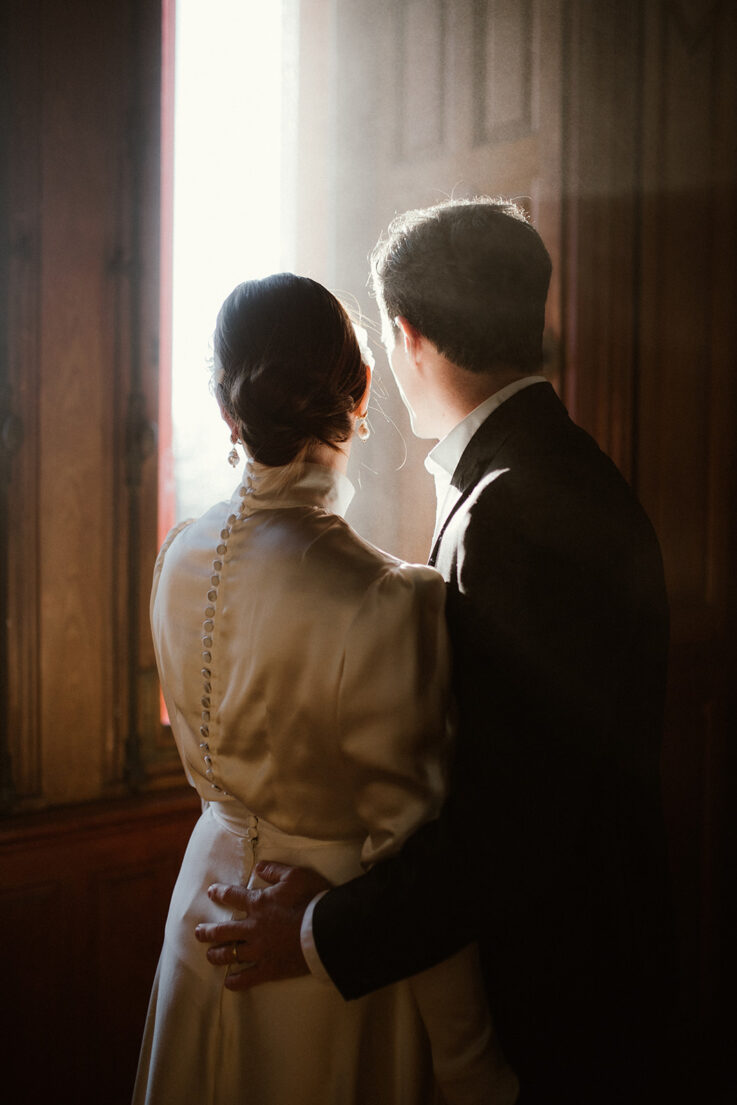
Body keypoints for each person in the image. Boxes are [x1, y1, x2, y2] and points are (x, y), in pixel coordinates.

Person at [196, 200, 675, 1105]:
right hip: (570, 961)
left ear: (406, 335)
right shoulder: (547, 472)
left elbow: (513, 824)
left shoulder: (515, 512)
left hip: (561, 997)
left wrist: (317, 930)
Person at [133, 272, 519, 1105]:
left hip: (202, 920)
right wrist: (472, 1066)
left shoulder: (174, 556)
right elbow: (413, 855)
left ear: (225, 408)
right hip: (325, 972)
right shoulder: (384, 598)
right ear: (361, 391)